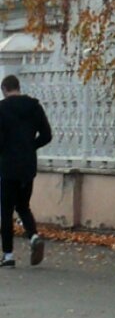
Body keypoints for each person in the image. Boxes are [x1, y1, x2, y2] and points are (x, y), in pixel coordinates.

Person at [0, 73, 51, 268]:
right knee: (23, 205)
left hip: (8, 166)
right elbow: (47, 135)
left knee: (6, 210)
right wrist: (30, 146)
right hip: (28, 166)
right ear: (18, 87)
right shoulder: (34, 107)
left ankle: (8, 255)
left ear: (4, 90)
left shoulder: (2, 109)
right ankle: (33, 236)